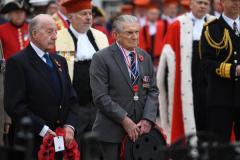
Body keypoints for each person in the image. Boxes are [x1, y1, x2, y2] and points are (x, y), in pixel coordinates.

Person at [4, 14, 79, 157]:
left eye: (56, 31)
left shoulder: (60, 61)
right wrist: (43, 129)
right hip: (32, 142)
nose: (55, 36)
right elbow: (14, 105)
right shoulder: (18, 62)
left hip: (60, 140)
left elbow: (71, 98)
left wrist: (69, 126)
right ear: (35, 34)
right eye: (50, 31)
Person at [90, 14, 159, 160]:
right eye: (129, 32)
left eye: (136, 32)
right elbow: (100, 97)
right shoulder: (101, 58)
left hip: (141, 130)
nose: (135, 37)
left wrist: (148, 118)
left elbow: (152, 90)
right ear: (115, 35)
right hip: (111, 133)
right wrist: (124, 120)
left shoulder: (144, 57)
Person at [55, 0, 109, 158]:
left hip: (99, 105)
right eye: (83, 14)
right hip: (75, 107)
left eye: (90, 13)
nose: (88, 17)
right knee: (76, 148)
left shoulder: (100, 36)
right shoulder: (59, 38)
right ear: (70, 16)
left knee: (99, 148)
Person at [157, 0, 215, 144]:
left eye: (206, 3)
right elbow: (167, 57)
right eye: (199, 2)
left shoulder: (215, 24)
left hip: (211, 83)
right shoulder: (178, 25)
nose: (202, 6)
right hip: (187, 82)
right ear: (190, 5)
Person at [199, 0, 240, 142]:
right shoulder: (211, 28)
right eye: (233, 0)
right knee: (219, 147)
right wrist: (233, 70)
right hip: (220, 96)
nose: (237, 3)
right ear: (222, 2)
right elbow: (206, 63)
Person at [139, 3, 167, 68]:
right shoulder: (143, 29)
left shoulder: (164, 26)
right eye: (151, 13)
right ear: (147, 14)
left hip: (160, 56)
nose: (153, 15)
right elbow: (142, 45)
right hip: (147, 56)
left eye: (155, 14)